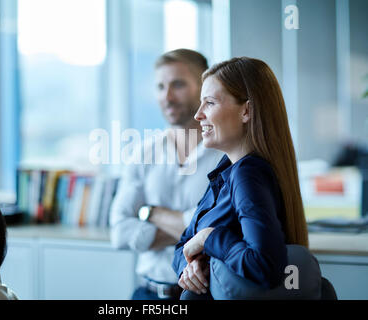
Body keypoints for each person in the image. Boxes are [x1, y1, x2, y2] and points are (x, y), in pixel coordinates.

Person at [172, 57, 309, 299]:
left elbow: (264, 267)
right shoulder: (226, 172)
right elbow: (181, 246)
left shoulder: (248, 175)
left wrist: (208, 238)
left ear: (246, 111)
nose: (198, 115)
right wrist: (191, 267)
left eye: (210, 103)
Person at [109, 49, 223, 300]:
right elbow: (118, 232)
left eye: (178, 85)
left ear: (204, 88)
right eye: (160, 87)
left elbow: (226, 229)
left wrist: (150, 213)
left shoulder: (225, 154)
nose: (167, 97)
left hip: (206, 295)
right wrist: (196, 232)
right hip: (147, 293)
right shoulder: (143, 152)